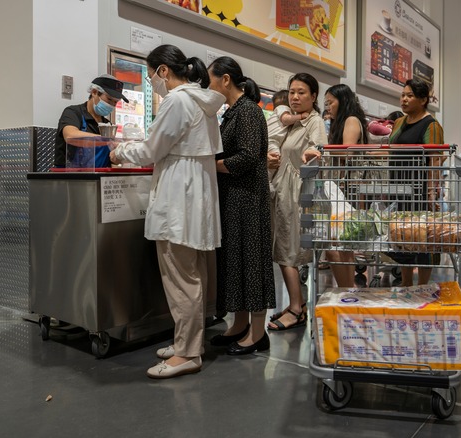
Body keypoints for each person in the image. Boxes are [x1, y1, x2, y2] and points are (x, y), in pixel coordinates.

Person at [109, 44, 224, 379]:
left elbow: (150, 150)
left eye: (150, 75)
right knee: (193, 276)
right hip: (197, 194)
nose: (152, 83)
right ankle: (188, 342)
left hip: (179, 196)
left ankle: (188, 353)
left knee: (180, 278)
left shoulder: (176, 101)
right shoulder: (203, 102)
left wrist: (120, 151)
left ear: (163, 71)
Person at [206, 56, 276, 355]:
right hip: (234, 200)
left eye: (211, 80)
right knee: (235, 262)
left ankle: (258, 333)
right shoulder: (233, 112)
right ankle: (239, 324)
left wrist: (211, 165)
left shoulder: (247, 112)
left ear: (225, 80)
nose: (209, 87)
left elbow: (247, 156)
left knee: (252, 263)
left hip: (248, 200)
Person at [267, 73, 327, 331]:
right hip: (282, 190)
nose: (295, 97)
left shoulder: (315, 122)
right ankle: (296, 303)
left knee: (288, 250)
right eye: (292, 92)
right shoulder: (289, 121)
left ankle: (297, 308)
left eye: (302, 92)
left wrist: (313, 154)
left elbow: (320, 151)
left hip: (299, 193)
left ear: (314, 96)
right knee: (282, 247)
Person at [388, 79, 444, 286]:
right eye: (403, 95)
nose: (404, 99)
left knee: (421, 238)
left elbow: (435, 159)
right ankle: (405, 282)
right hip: (398, 187)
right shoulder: (399, 122)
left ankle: (422, 285)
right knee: (401, 234)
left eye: (409, 96)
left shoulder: (431, 125)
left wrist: (431, 192)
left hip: (418, 190)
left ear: (423, 100)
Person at [322, 83, 369, 287]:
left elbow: (347, 152)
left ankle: (346, 289)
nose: (328, 107)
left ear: (343, 101)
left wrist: (322, 147)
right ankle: (346, 290)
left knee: (339, 244)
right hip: (343, 188)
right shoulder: (338, 122)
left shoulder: (351, 120)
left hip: (350, 188)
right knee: (341, 244)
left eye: (330, 102)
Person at [54, 74, 128, 169]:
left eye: (115, 102)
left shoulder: (108, 124)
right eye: (109, 99)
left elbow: (112, 158)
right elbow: (70, 136)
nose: (111, 105)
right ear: (94, 92)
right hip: (71, 178)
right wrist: (105, 140)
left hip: (100, 178)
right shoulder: (73, 113)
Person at [267, 90, 304, 184]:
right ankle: (267, 183)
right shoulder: (283, 108)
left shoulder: (276, 112)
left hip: (269, 141)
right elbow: (286, 120)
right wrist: (300, 116)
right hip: (272, 141)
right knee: (274, 160)